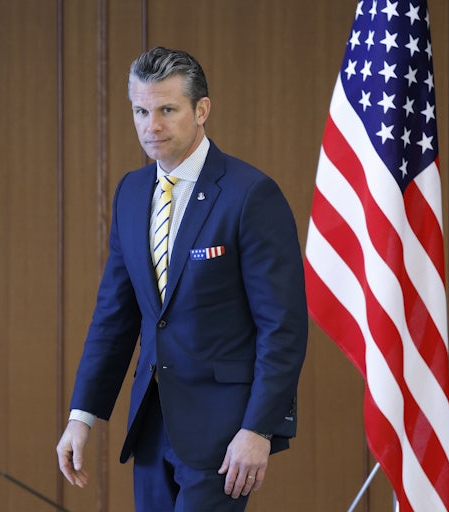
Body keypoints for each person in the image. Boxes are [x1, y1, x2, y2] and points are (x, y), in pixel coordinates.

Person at [56, 46, 308, 511]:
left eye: (167, 110)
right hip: (150, 425)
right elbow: (114, 315)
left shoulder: (250, 195)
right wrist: (81, 417)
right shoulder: (131, 193)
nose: (151, 126)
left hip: (224, 434)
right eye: (140, 110)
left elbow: (283, 326)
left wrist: (258, 429)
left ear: (201, 110)